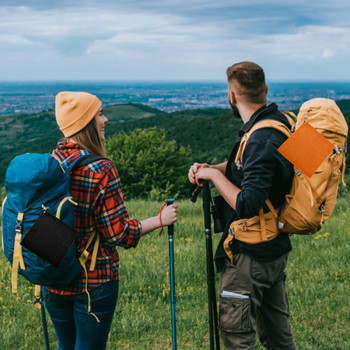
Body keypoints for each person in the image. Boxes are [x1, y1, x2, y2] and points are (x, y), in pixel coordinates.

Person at [42, 91, 178, 350]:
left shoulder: (50, 162)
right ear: (86, 123)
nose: (105, 120)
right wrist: (159, 220)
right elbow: (119, 235)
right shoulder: (101, 169)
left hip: (54, 279)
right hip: (93, 282)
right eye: (100, 114)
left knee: (65, 346)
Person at [188, 62, 297, 349]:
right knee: (278, 337)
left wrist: (211, 175)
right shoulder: (279, 122)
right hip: (274, 247)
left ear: (232, 97)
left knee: (238, 339)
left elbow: (248, 203)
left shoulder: (260, 139)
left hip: (251, 255)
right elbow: (250, 170)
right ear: (265, 89)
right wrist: (214, 168)